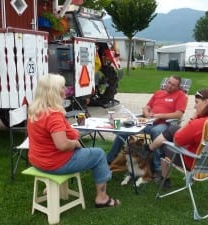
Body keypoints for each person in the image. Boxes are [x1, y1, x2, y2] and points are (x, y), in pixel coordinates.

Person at [27, 74, 120, 208]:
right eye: (62, 87)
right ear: (54, 92)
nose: (65, 89)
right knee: (99, 154)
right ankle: (102, 198)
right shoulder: (53, 115)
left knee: (88, 153)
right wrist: (75, 143)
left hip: (38, 161)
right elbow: (62, 145)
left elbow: (46, 139)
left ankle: (53, 186)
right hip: (55, 164)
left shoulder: (35, 111)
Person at [107, 75, 188, 177]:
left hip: (164, 124)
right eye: (169, 82)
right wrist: (146, 113)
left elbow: (179, 114)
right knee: (123, 131)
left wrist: (160, 116)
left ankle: (157, 168)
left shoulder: (180, 95)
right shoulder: (158, 93)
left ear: (178, 87)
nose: (169, 85)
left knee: (157, 132)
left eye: (173, 85)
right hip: (148, 122)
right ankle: (109, 160)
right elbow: (147, 107)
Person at [146, 88, 208, 188]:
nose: (194, 106)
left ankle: (165, 180)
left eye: (197, 102)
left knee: (165, 146)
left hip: (194, 161)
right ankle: (148, 149)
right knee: (173, 129)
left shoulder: (198, 124)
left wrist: (192, 119)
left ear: (206, 102)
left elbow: (177, 142)